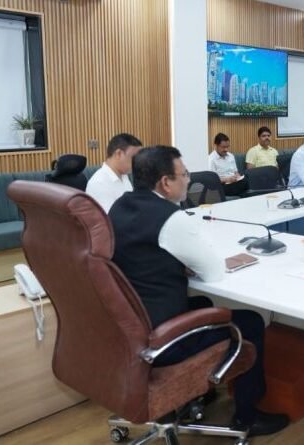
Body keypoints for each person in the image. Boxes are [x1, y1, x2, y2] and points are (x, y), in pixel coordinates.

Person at [108, 146, 288, 436]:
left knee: (203, 301)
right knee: (251, 322)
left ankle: (198, 392)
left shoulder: (118, 207)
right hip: (163, 339)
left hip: (131, 327)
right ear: (165, 182)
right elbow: (213, 271)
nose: (188, 180)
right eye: (184, 174)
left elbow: (142, 255)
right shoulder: (170, 217)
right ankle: (247, 415)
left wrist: (177, 264)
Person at [86, 133, 143, 213]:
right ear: (118, 154)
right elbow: (111, 218)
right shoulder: (99, 183)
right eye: (134, 158)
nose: (137, 162)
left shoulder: (124, 175)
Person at [208, 132, 247, 197]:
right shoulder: (211, 159)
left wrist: (238, 177)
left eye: (227, 147)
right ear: (215, 145)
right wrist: (228, 179)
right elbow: (212, 180)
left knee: (247, 180)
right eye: (223, 147)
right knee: (244, 185)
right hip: (222, 185)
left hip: (234, 182)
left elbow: (236, 172)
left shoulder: (230, 156)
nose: (226, 149)